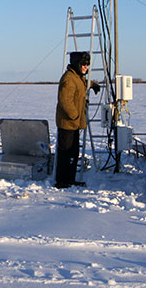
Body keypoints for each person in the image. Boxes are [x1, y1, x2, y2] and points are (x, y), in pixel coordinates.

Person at [55, 51, 99, 189]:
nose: (86, 67)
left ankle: (70, 179)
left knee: (73, 153)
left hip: (74, 124)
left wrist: (93, 85)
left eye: (87, 64)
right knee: (65, 153)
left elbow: (83, 84)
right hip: (68, 123)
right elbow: (65, 100)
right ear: (76, 64)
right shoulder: (68, 79)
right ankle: (62, 181)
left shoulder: (78, 77)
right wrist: (74, 115)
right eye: (83, 64)